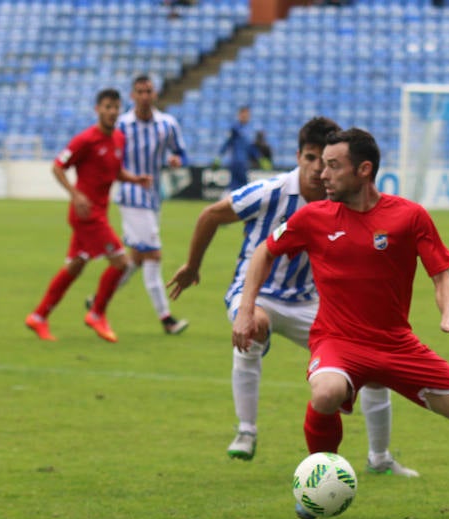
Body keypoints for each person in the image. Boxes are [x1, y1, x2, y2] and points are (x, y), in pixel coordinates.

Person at [231, 128, 449, 519]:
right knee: (325, 392)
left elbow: (441, 274)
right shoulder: (312, 217)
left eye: (333, 166)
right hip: (337, 340)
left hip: (396, 344)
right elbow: (263, 253)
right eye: (321, 165)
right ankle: (318, 486)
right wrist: (245, 308)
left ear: (364, 170)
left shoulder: (409, 216)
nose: (323, 175)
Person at [167, 117, 417, 476]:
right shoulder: (269, 192)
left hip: (310, 302)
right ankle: (246, 432)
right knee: (255, 325)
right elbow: (211, 214)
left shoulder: (341, 199)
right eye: (311, 158)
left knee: (373, 362)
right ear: (298, 156)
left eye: (325, 161)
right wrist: (192, 266)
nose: (318, 169)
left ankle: (380, 457)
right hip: (257, 292)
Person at [25, 88, 152, 343]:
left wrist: (134, 179)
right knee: (121, 263)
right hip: (86, 215)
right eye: (107, 107)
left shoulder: (118, 138)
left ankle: (38, 317)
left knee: (75, 265)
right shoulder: (85, 140)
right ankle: (97, 313)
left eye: (116, 107)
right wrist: (75, 194)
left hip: (99, 213)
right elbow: (57, 166)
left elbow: (114, 172)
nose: (112, 112)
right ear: (97, 110)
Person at [112, 74, 189, 335]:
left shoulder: (167, 124)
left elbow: (181, 151)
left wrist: (177, 159)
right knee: (154, 255)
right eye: (139, 92)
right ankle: (167, 319)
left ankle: (98, 302)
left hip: (154, 197)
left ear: (155, 94)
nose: (144, 96)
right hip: (131, 195)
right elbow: (111, 158)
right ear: (132, 96)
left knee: (135, 258)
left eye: (148, 91)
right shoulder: (122, 125)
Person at [215, 106, 254, 192]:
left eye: (247, 115)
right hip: (236, 161)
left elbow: (250, 148)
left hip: (244, 162)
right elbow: (227, 143)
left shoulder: (248, 130)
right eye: (244, 115)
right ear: (240, 115)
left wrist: (259, 157)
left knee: (241, 185)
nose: (246, 117)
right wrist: (219, 156)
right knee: (238, 185)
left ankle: (228, 200)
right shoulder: (235, 128)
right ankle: (226, 200)